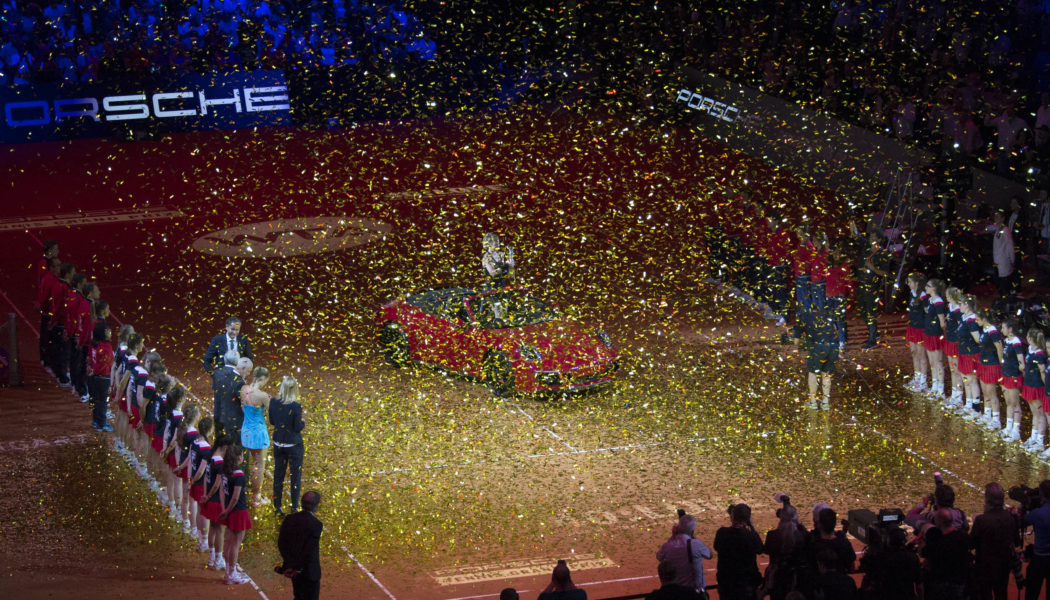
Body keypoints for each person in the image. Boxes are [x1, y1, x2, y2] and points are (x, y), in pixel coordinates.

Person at [970, 482, 1021, 600]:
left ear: (987, 499)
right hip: (1004, 565)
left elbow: (971, 543)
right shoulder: (1011, 518)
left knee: (984, 594)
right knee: (1002, 592)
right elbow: (1017, 542)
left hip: (984, 566)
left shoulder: (981, 520)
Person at [278, 490, 324, 600]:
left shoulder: (289, 519)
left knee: (298, 595)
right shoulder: (316, 525)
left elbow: (282, 543)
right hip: (308, 572)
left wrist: (289, 564)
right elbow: (308, 550)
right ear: (316, 506)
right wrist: (298, 568)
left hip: (294, 570)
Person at [271, 375, 306, 515]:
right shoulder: (296, 406)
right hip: (293, 445)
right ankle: (294, 508)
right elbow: (297, 427)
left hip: (278, 443)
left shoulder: (273, 401)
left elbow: (272, 421)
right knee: (295, 476)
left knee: (278, 475)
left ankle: (277, 506)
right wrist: (303, 423)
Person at [713, 503, 763, 600]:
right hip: (747, 583)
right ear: (747, 520)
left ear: (732, 517)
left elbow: (716, 547)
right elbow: (760, 550)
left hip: (726, 583)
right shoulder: (751, 536)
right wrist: (751, 527)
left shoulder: (722, 532)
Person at [656, 513, 712, 597]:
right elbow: (709, 555)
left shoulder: (668, 545)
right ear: (692, 531)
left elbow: (659, 556)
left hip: (676, 594)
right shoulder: (696, 544)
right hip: (694, 594)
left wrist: (673, 536)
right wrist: (693, 537)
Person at [922, 508, 971, 600]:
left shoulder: (937, 541)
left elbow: (924, 554)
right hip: (961, 582)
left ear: (939, 522)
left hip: (943, 585)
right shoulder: (964, 537)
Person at [219, 445, 252, 585]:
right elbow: (235, 497)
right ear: (238, 457)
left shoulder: (225, 471)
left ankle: (228, 572)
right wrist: (227, 510)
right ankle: (232, 574)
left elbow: (221, 491)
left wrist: (224, 509)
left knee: (228, 540)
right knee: (235, 544)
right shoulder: (238, 474)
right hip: (238, 511)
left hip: (229, 510)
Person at [240, 366, 271, 506]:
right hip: (258, 433)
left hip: (246, 431)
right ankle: (256, 498)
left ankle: (252, 493)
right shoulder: (262, 396)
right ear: (263, 379)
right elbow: (273, 413)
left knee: (254, 462)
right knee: (259, 465)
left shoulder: (243, 389)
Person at [975, 309, 1004, 431]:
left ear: (984, 319)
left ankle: (996, 420)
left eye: (977, 319)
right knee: (985, 391)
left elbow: (999, 347)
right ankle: (987, 415)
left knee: (991, 393)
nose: (976, 321)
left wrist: (1001, 362)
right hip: (983, 363)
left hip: (992, 364)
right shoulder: (985, 330)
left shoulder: (993, 331)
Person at [999, 319, 1025, 441]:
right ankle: (1008, 427)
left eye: (1003, 327)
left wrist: (1021, 371)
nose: (1001, 330)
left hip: (1013, 376)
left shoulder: (1016, 342)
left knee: (1015, 403)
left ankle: (1016, 431)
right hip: (1006, 374)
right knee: (1009, 402)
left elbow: (1021, 360)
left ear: (1010, 329)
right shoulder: (1007, 341)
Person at [1022, 328, 1047, 452]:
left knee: (1040, 413)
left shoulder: (1040, 354)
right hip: (1029, 384)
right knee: (1034, 413)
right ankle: (1033, 437)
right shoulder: (1031, 350)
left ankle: (1039, 442)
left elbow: (1042, 372)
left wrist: (1046, 386)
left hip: (1037, 386)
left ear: (1030, 338)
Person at [1024, 480, 1050, 600]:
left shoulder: (1037, 513)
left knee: (1032, 592)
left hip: (1040, 557)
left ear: (1042, 494)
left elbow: (1023, 521)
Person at [212, 351, 247, 439]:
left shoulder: (217, 373)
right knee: (233, 448)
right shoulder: (239, 378)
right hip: (233, 421)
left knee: (219, 444)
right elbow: (243, 400)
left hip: (218, 415)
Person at [87, 321, 113, 431]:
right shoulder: (106, 346)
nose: (110, 331)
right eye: (108, 330)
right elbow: (103, 363)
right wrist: (96, 371)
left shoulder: (93, 344)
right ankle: (101, 424)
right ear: (103, 333)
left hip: (94, 378)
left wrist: (91, 369)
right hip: (103, 378)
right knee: (103, 401)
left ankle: (95, 421)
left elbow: (90, 358)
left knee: (96, 399)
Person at [989, 210, 1016, 299]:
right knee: (998, 282)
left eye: (998, 216)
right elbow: (988, 227)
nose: (995, 218)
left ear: (1003, 218)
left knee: (1004, 285)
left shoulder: (1005, 230)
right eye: (995, 216)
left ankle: (1007, 300)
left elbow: (1010, 247)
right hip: (997, 261)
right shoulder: (997, 229)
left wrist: (1012, 260)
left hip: (1003, 261)